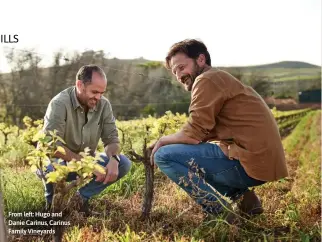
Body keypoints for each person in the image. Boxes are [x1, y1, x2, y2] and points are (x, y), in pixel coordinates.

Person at [150, 39, 288, 223]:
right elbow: (202, 134)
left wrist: (162, 141)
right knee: (195, 155)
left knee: (163, 155)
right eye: (175, 71)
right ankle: (247, 202)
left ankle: (221, 214)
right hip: (264, 162)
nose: (179, 75)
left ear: (200, 59)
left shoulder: (207, 79)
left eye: (182, 67)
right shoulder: (219, 78)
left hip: (251, 163)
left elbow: (193, 134)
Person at [37, 64, 132, 216]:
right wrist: (85, 164)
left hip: (86, 161)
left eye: (101, 93)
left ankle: (80, 200)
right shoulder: (59, 104)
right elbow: (51, 146)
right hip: (56, 161)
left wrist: (114, 159)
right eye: (94, 92)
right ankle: (51, 206)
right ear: (80, 85)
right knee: (51, 172)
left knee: (124, 163)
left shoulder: (104, 105)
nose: (98, 97)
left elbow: (111, 138)